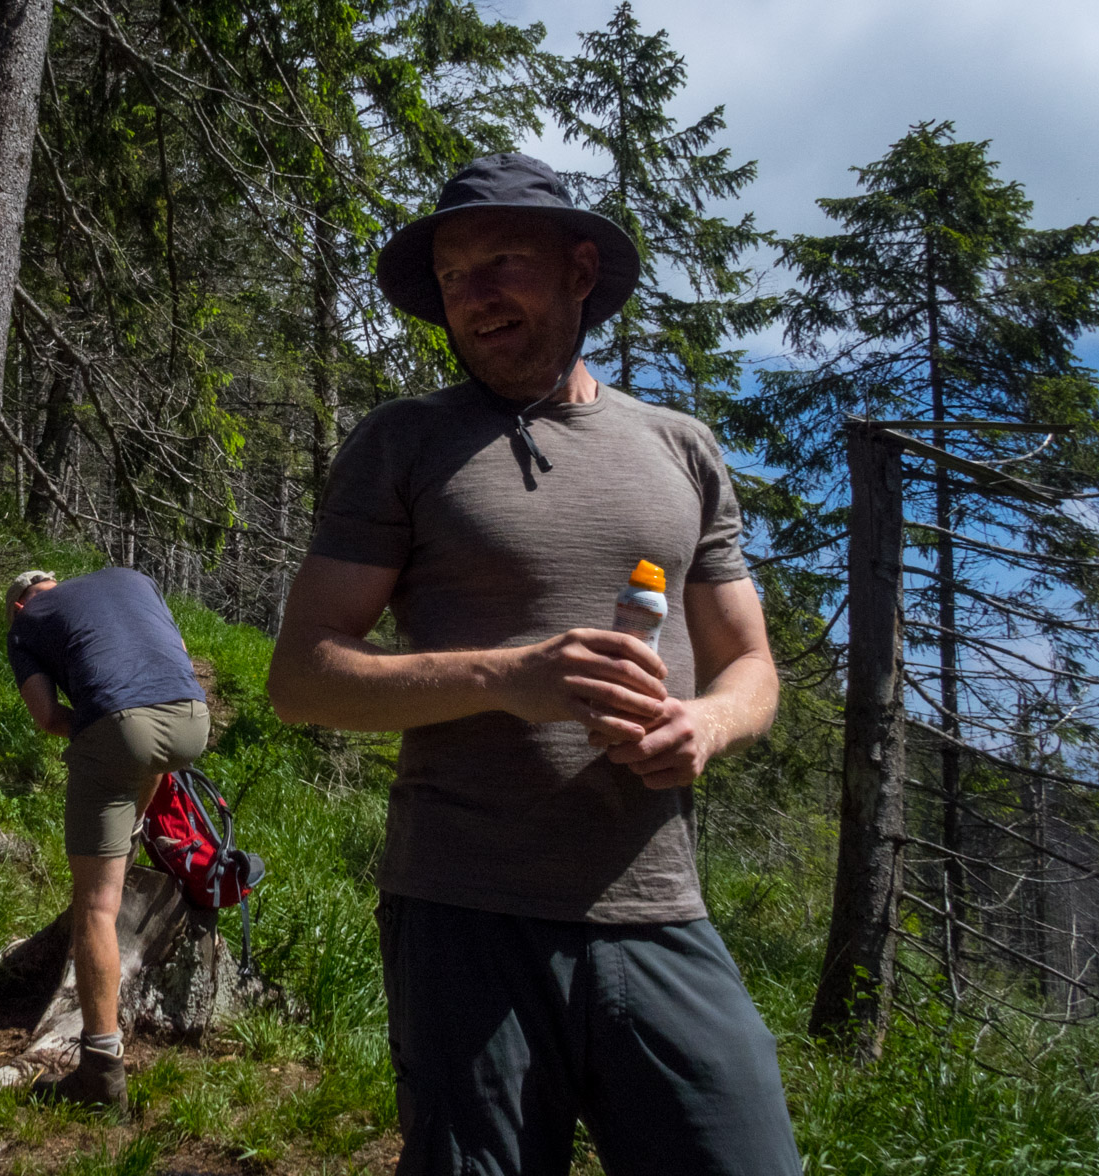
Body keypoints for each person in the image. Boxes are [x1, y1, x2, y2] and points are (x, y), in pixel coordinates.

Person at [267, 154, 801, 1175]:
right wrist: (503, 677)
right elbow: (302, 676)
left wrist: (707, 725)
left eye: (502, 260)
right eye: (454, 276)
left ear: (580, 268)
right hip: (464, 910)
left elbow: (750, 665)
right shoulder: (403, 443)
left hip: (656, 903)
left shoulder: (680, 447)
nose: (474, 296)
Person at [4, 564, 211, 1107]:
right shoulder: (130, 579)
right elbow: (176, 657)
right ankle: (135, 829)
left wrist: (101, 722)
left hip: (122, 726)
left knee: (96, 906)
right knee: (142, 753)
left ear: (20, 603)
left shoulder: (25, 624)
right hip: (193, 718)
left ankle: (100, 1074)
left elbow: (48, 717)